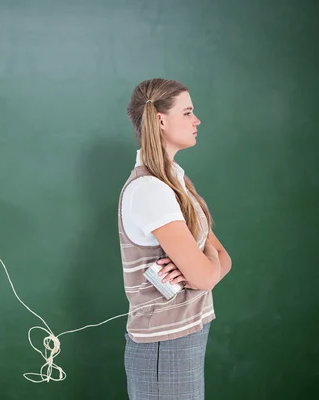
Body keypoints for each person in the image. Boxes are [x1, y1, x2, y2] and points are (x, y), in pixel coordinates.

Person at [118, 78, 231, 399]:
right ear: (160, 120)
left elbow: (222, 259)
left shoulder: (175, 180)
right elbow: (209, 272)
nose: (197, 121)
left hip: (185, 334)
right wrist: (205, 268)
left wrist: (205, 267)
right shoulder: (151, 190)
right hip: (164, 345)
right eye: (188, 112)